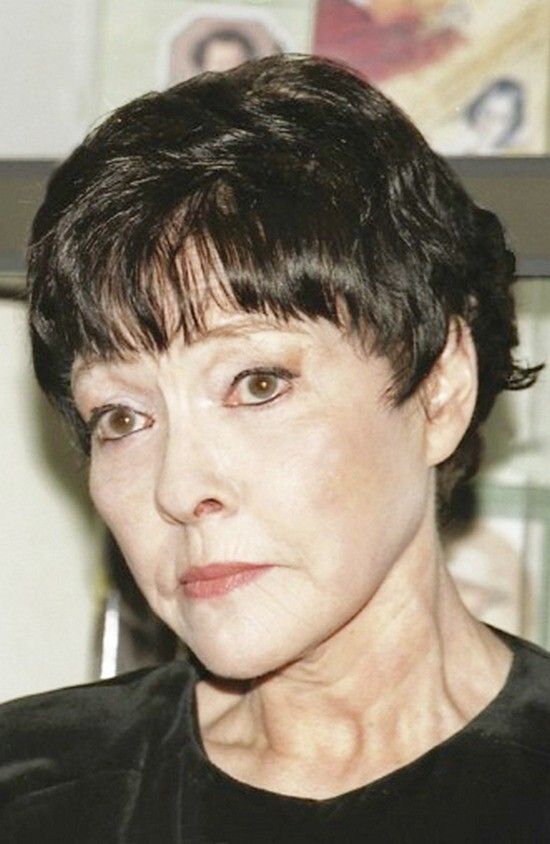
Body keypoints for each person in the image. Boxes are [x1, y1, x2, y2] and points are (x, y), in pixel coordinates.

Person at [1, 54, 548, 842]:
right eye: (121, 417)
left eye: (257, 384)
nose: (178, 489)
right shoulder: (30, 793)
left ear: (440, 390)